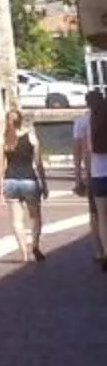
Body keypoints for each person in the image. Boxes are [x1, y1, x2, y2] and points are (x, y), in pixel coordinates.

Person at [0, 105, 48, 262]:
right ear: (21, 121)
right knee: (36, 217)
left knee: (17, 219)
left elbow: (1, 165)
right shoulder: (31, 137)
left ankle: (24, 253)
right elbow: (38, 163)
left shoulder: (5, 140)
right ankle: (34, 245)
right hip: (29, 180)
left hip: (10, 180)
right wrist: (44, 183)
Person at [76, 87, 107, 271]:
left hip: (98, 175)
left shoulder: (85, 121)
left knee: (101, 218)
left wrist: (81, 175)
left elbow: (86, 151)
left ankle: (104, 254)